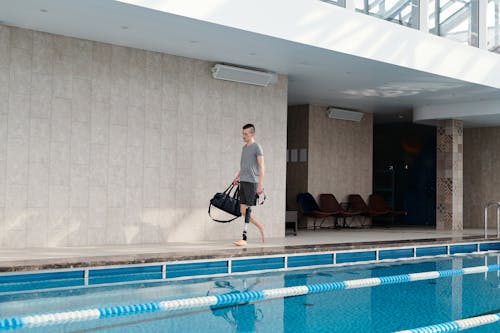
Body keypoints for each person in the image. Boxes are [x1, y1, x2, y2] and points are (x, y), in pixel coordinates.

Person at [232, 124, 265, 246]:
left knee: (248, 209)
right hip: (243, 182)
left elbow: (262, 166)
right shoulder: (244, 148)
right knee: (242, 211)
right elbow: (244, 167)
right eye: (243, 133)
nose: (243, 136)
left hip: (252, 182)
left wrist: (260, 184)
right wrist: (237, 178)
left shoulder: (257, 147)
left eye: (246, 134)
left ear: (252, 134)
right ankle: (260, 226)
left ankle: (244, 238)